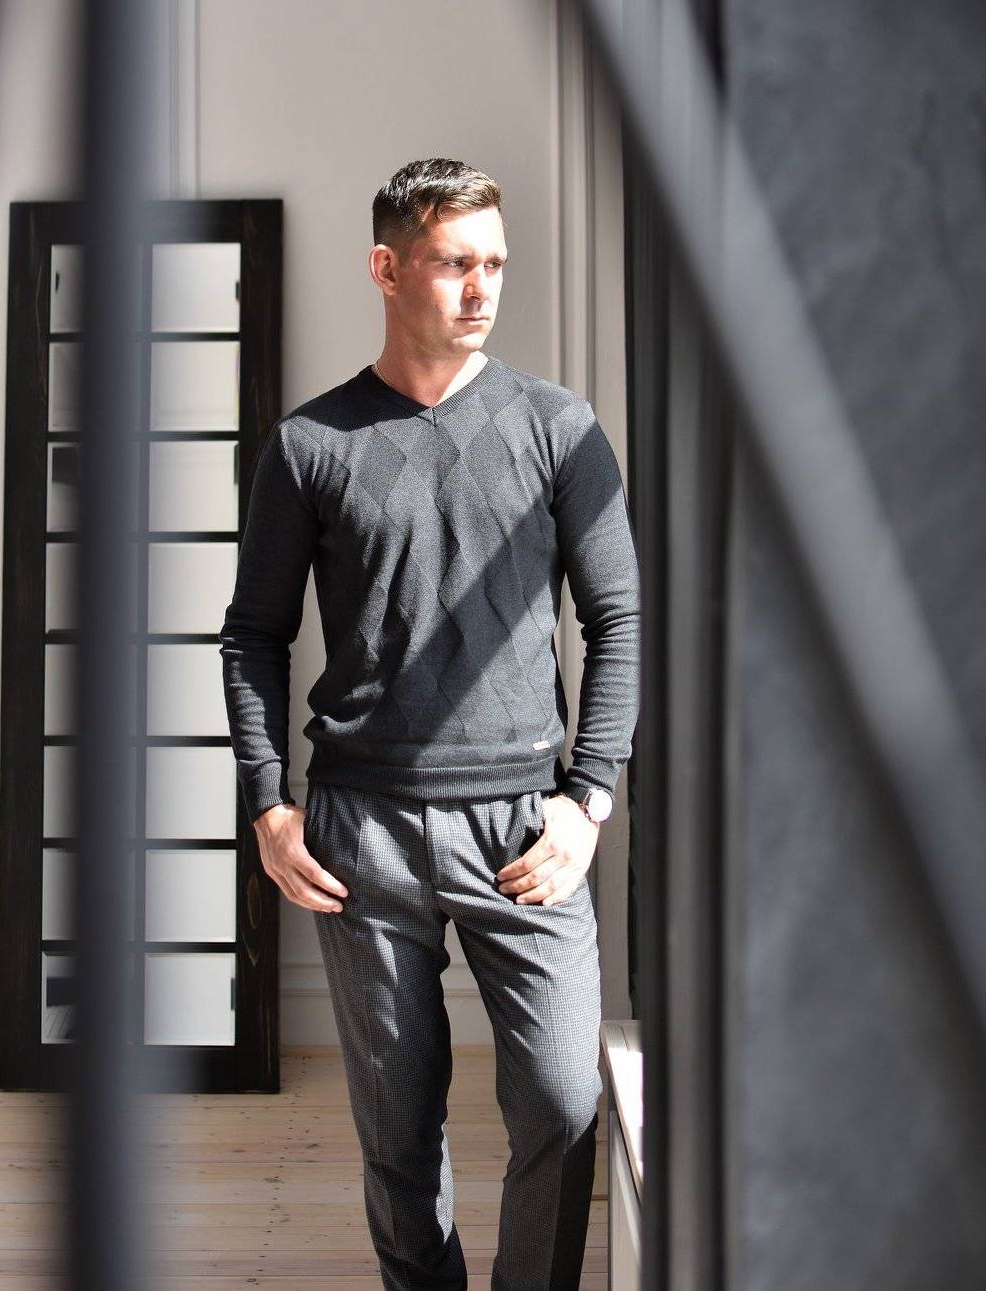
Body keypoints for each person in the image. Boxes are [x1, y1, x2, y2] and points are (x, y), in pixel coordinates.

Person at [218, 157, 641, 1291]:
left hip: (525, 829)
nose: (482, 287)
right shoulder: (310, 446)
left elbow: (618, 618)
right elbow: (253, 634)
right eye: (456, 263)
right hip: (363, 832)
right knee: (398, 1141)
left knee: (563, 1099)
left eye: (494, 262)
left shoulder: (558, 427)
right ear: (387, 268)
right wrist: (268, 803)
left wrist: (588, 798)